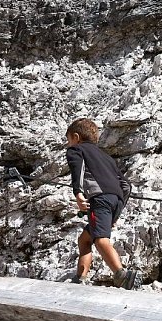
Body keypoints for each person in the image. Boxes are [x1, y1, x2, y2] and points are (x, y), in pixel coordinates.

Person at [64, 118, 141, 289]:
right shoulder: (106, 158)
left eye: (68, 140)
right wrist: (116, 213)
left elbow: (78, 169)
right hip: (116, 200)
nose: (68, 144)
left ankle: (122, 276)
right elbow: (127, 185)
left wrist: (78, 192)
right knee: (84, 239)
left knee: (100, 240)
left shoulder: (75, 150)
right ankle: (80, 278)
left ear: (76, 137)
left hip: (99, 200)